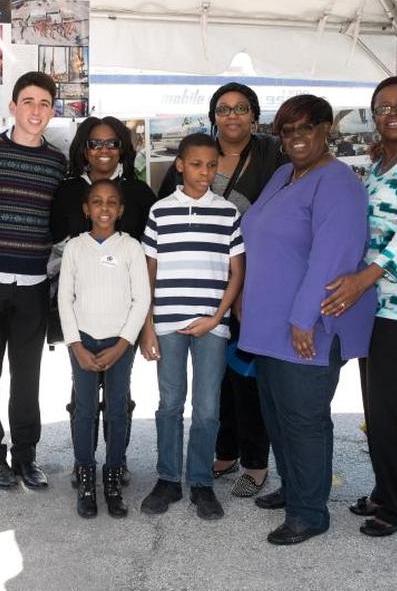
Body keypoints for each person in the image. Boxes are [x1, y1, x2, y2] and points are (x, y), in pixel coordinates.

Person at [238, 94, 376, 546]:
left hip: (307, 326)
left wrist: (303, 319)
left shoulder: (337, 183)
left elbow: (331, 260)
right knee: (277, 415)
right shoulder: (284, 175)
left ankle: (309, 512)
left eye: (306, 128)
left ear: (325, 129)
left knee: (304, 420)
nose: (296, 137)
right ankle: (294, 487)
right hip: (269, 324)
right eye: (288, 130)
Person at [319, 77, 397, 537]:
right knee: (375, 406)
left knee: (387, 406)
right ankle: (385, 490)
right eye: (383, 107)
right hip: (374, 305)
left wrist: (362, 279)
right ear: (373, 115)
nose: (392, 113)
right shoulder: (380, 165)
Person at [138, 133, 245, 521]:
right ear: (180, 165)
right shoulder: (160, 212)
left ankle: (201, 482)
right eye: (197, 164)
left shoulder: (227, 213)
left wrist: (217, 318)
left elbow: (237, 273)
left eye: (212, 165)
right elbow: (148, 272)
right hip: (167, 322)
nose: (205, 172)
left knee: (207, 408)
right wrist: (147, 326)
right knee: (170, 403)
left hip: (212, 326)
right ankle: (168, 478)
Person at [0, 71, 67, 490]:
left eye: (44, 104)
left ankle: (26, 455)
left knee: (27, 378)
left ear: (52, 111)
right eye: (28, 102)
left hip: (33, 284)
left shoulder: (57, 162)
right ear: (13, 107)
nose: (36, 110)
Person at [50, 116, 157, 486]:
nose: (104, 150)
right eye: (95, 143)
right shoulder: (67, 191)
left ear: (123, 148)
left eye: (112, 143)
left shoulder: (139, 193)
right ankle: (83, 463)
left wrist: (145, 326)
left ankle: (116, 461)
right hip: (82, 313)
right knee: (81, 397)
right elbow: (55, 245)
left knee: (119, 397)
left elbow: (150, 259)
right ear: (84, 149)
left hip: (124, 317)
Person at [198, 82, 287, 498]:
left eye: (240, 108)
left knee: (248, 375)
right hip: (205, 282)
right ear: (213, 117)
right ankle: (225, 450)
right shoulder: (199, 151)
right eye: (223, 109)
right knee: (215, 375)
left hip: (256, 280)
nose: (232, 116)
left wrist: (250, 287)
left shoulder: (274, 154)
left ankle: (255, 462)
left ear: (254, 114)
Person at [57, 178, 150, 518]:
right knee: (84, 410)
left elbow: (142, 299)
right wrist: (76, 345)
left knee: (116, 410)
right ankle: (86, 478)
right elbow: (65, 300)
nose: (105, 208)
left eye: (112, 202)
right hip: (83, 340)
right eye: (97, 201)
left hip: (118, 343)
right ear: (86, 209)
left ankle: (113, 476)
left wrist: (123, 344)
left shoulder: (131, 248)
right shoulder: (75, 248)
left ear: (121, 210)